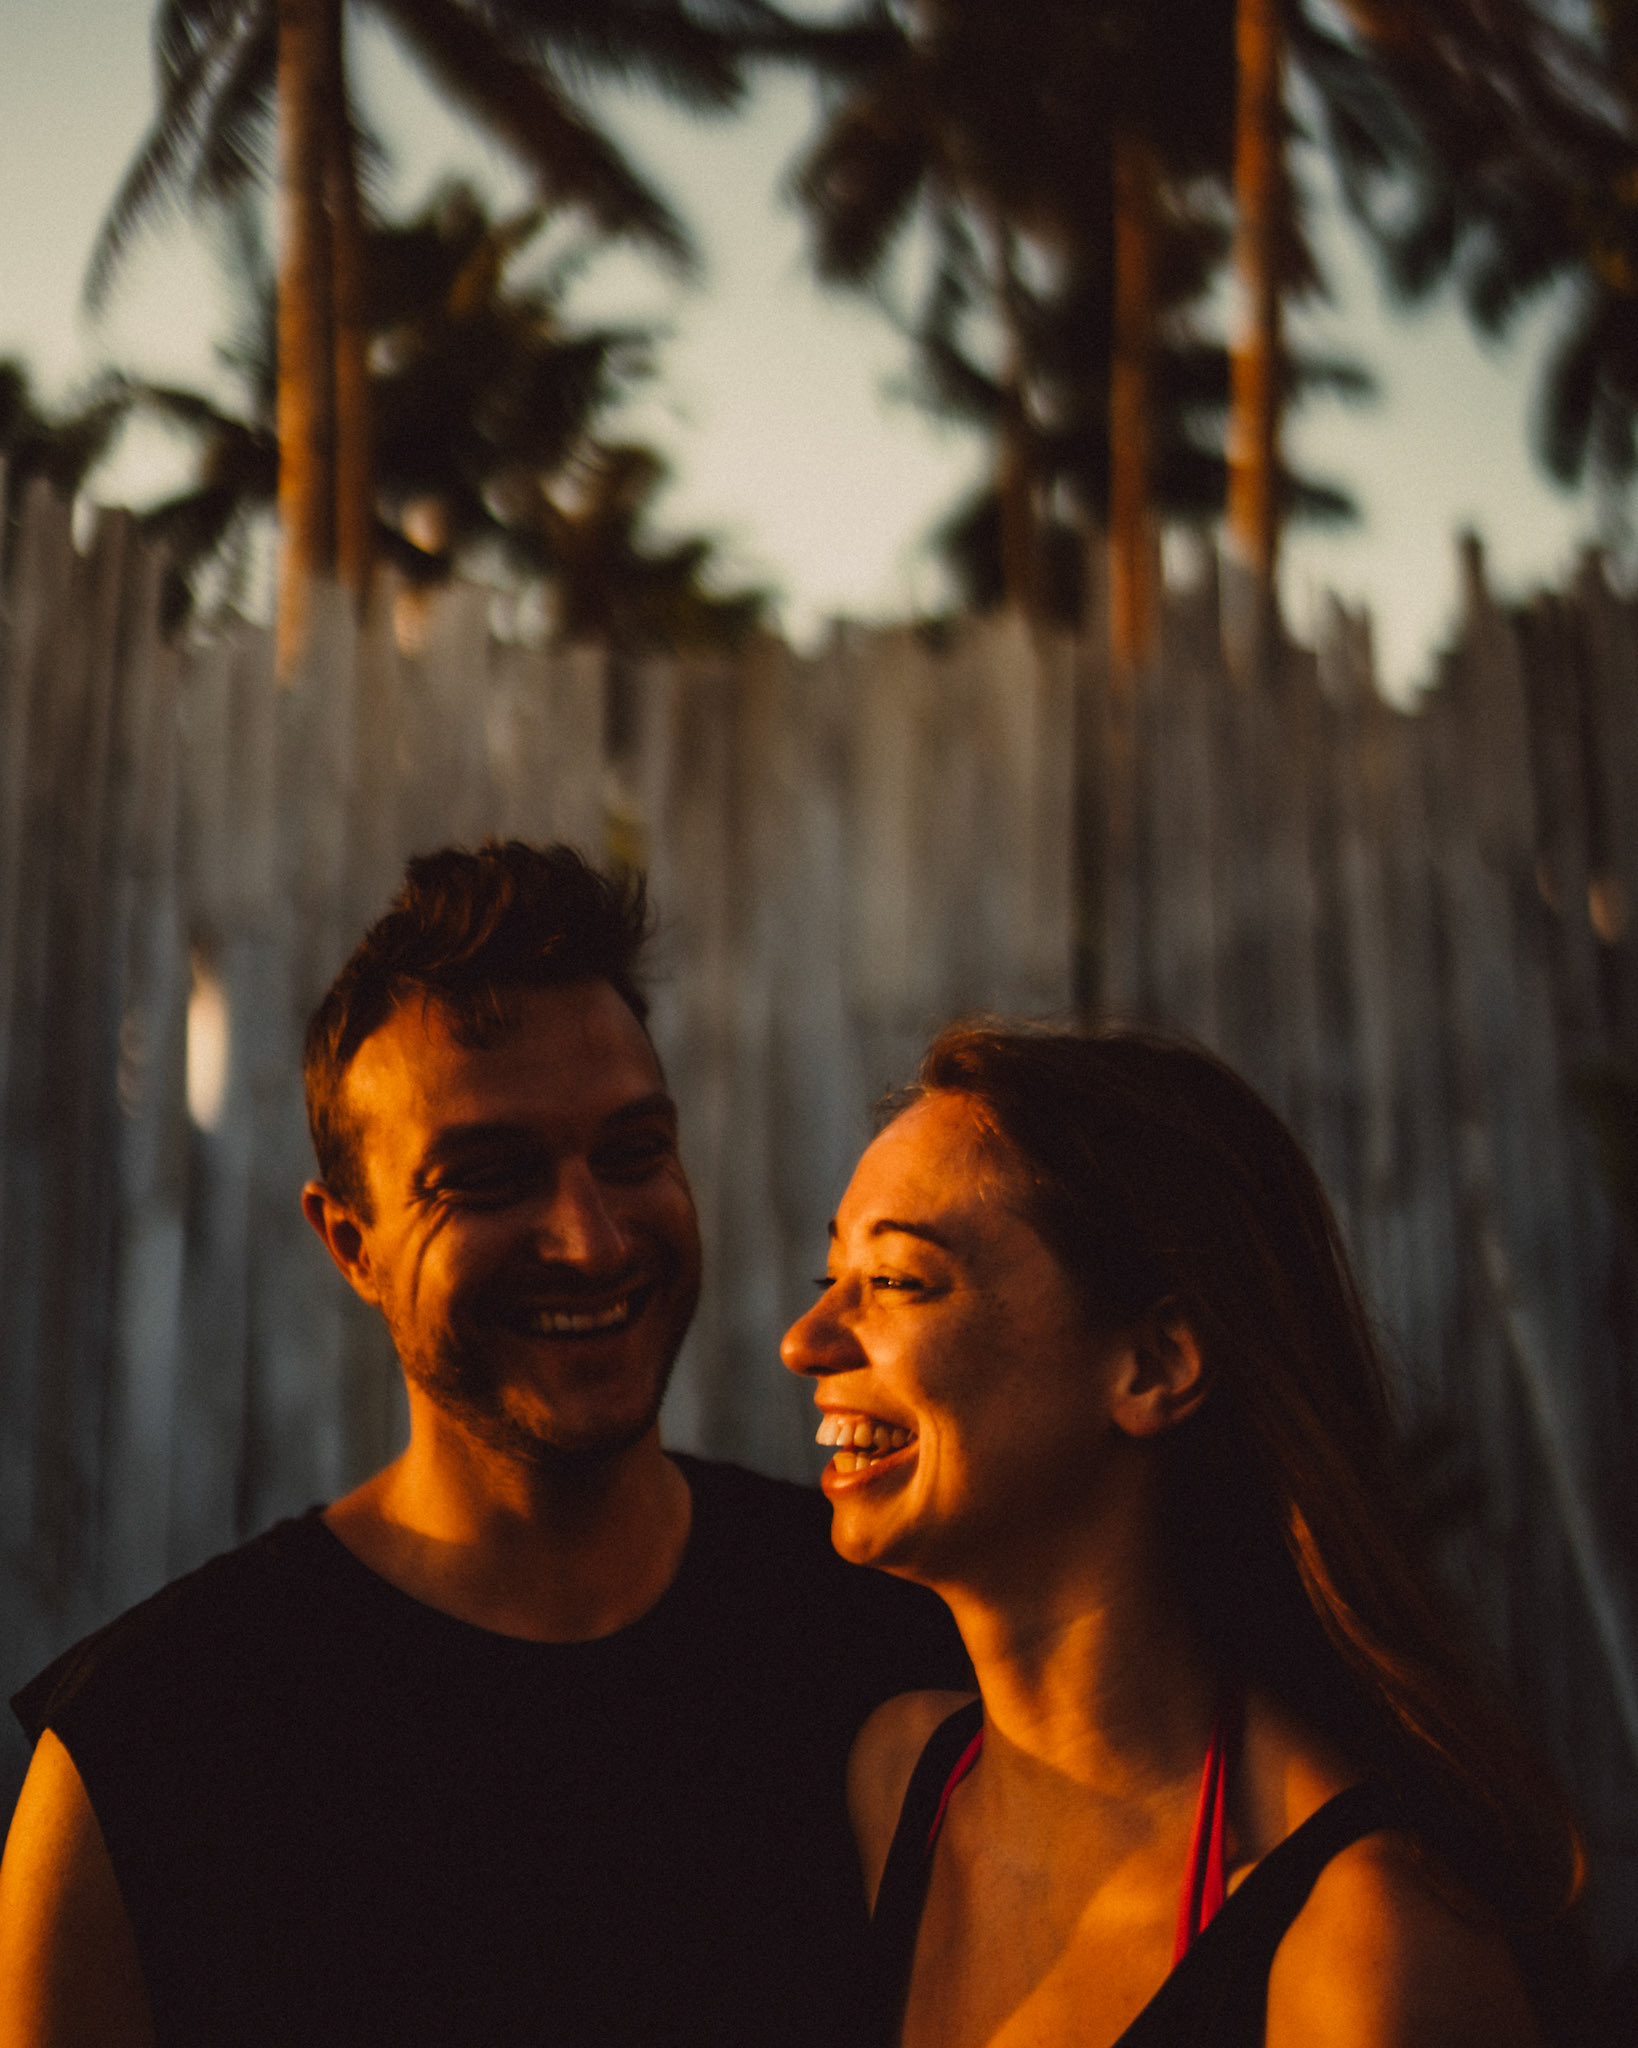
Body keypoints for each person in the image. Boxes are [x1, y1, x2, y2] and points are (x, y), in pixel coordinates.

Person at [0, 841, 968, 2048]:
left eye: (632, 1152)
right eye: (490, 1176)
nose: (591, 1238)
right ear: (351, 1244)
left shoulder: (896, 1646)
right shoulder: (156, 1754)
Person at [780, 1022, 1585, 2048]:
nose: (805, 1341)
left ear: (1156, 1363)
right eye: (830, 1280)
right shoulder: (898, 1785)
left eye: (898, 1281)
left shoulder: (1359, 1952)